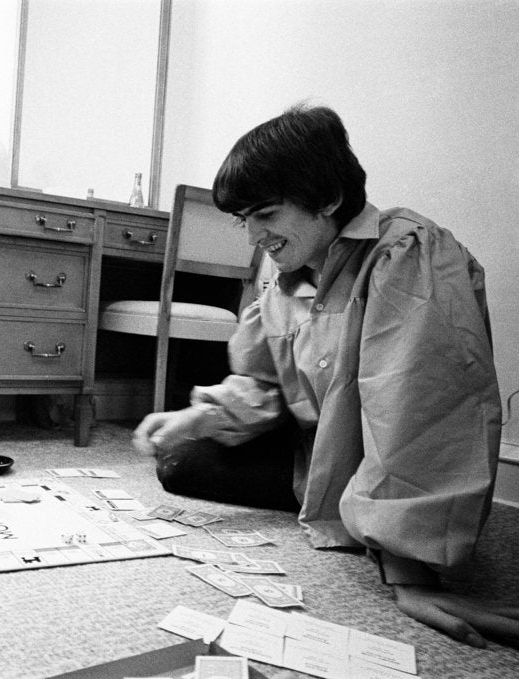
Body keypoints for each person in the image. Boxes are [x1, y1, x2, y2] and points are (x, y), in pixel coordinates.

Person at [134, 104, 519, 647]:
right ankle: (349, 505)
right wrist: (195, 416)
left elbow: (419, 411)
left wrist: (410, 569)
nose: (252, 237)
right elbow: (264, 383)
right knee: (181, 463)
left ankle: (384, 525)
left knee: (390, 464)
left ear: (330, 200)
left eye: (265, 215)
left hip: (384, 448)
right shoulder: (285, 272)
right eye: (243, 219)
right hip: (319, 448)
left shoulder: (408, 254)